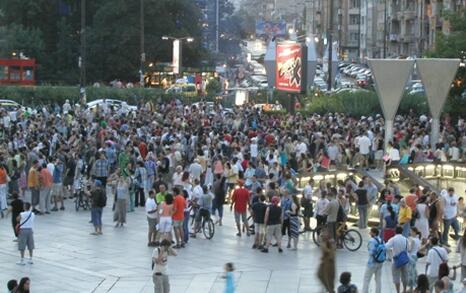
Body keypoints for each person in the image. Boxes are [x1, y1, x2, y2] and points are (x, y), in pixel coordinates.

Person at [386, 226, 410, 293]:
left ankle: (398, 291)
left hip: (396, 261)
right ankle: (404, 290)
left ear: (395, 231)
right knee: (405, 276)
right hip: (404, 261)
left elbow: (386, 247)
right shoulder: (406, 239)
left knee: (396, 277)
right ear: (402, 232)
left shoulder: (393, 239)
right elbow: (409, 249)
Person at [362, 228, 383, 293]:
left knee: (366, 279)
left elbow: (371, 252)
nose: (369, 233)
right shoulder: (381, 240)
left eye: (370, 232)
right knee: (378, 279)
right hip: (380, 262)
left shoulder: (372, 240)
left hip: (372, 262)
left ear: (374, 233)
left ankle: (365, 291)